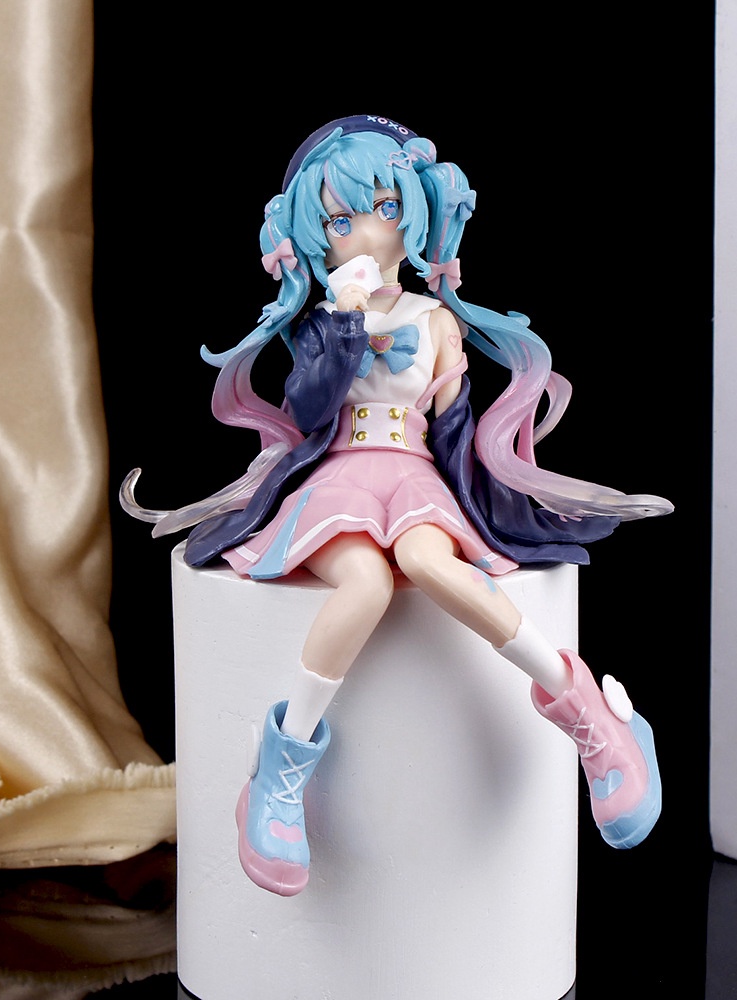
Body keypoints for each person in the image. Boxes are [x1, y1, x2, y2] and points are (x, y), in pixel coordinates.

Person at [123, 115, 672, 896]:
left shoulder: (435, 320)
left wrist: (495, 508)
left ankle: (590, 714)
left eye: (383, 209)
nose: (366, 234)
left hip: (413, 477)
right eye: (339, 221)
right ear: (314, 238)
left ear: (412, 214)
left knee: (425, 560)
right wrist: (344, 321)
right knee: (367, 583)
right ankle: (280, 771)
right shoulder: (319, 325)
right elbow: (309, 407)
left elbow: (452, 429)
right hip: (339, 479)